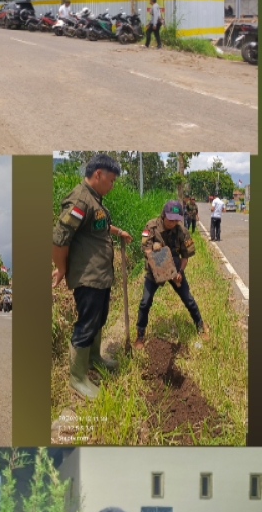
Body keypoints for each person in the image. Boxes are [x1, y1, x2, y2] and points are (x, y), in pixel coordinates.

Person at [52, 154, 132, 399]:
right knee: (87, 324)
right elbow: (59, 239)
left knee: (99, 318)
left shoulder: (94, 199)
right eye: (111, 180)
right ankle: (77, 378)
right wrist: (62, 268)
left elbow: (98, 225)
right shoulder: (79, 200)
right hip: (87, 276)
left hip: (100, 275)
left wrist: (118, 231)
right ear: (98, 174)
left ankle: (94, 358)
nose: (112, 185)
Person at [134, 200, 208, 349]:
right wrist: (164, 268)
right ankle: (140, 335)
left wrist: (179, 272)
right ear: (163, 215)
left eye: (176, 219)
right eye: (170, 219)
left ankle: (200, 325)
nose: (173, 222)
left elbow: (185, 257)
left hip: (175, 267)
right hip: (155, 268)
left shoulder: (182, 230)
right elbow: (148, 251)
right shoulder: (151, 226)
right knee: (145, 302)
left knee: (188, 299)